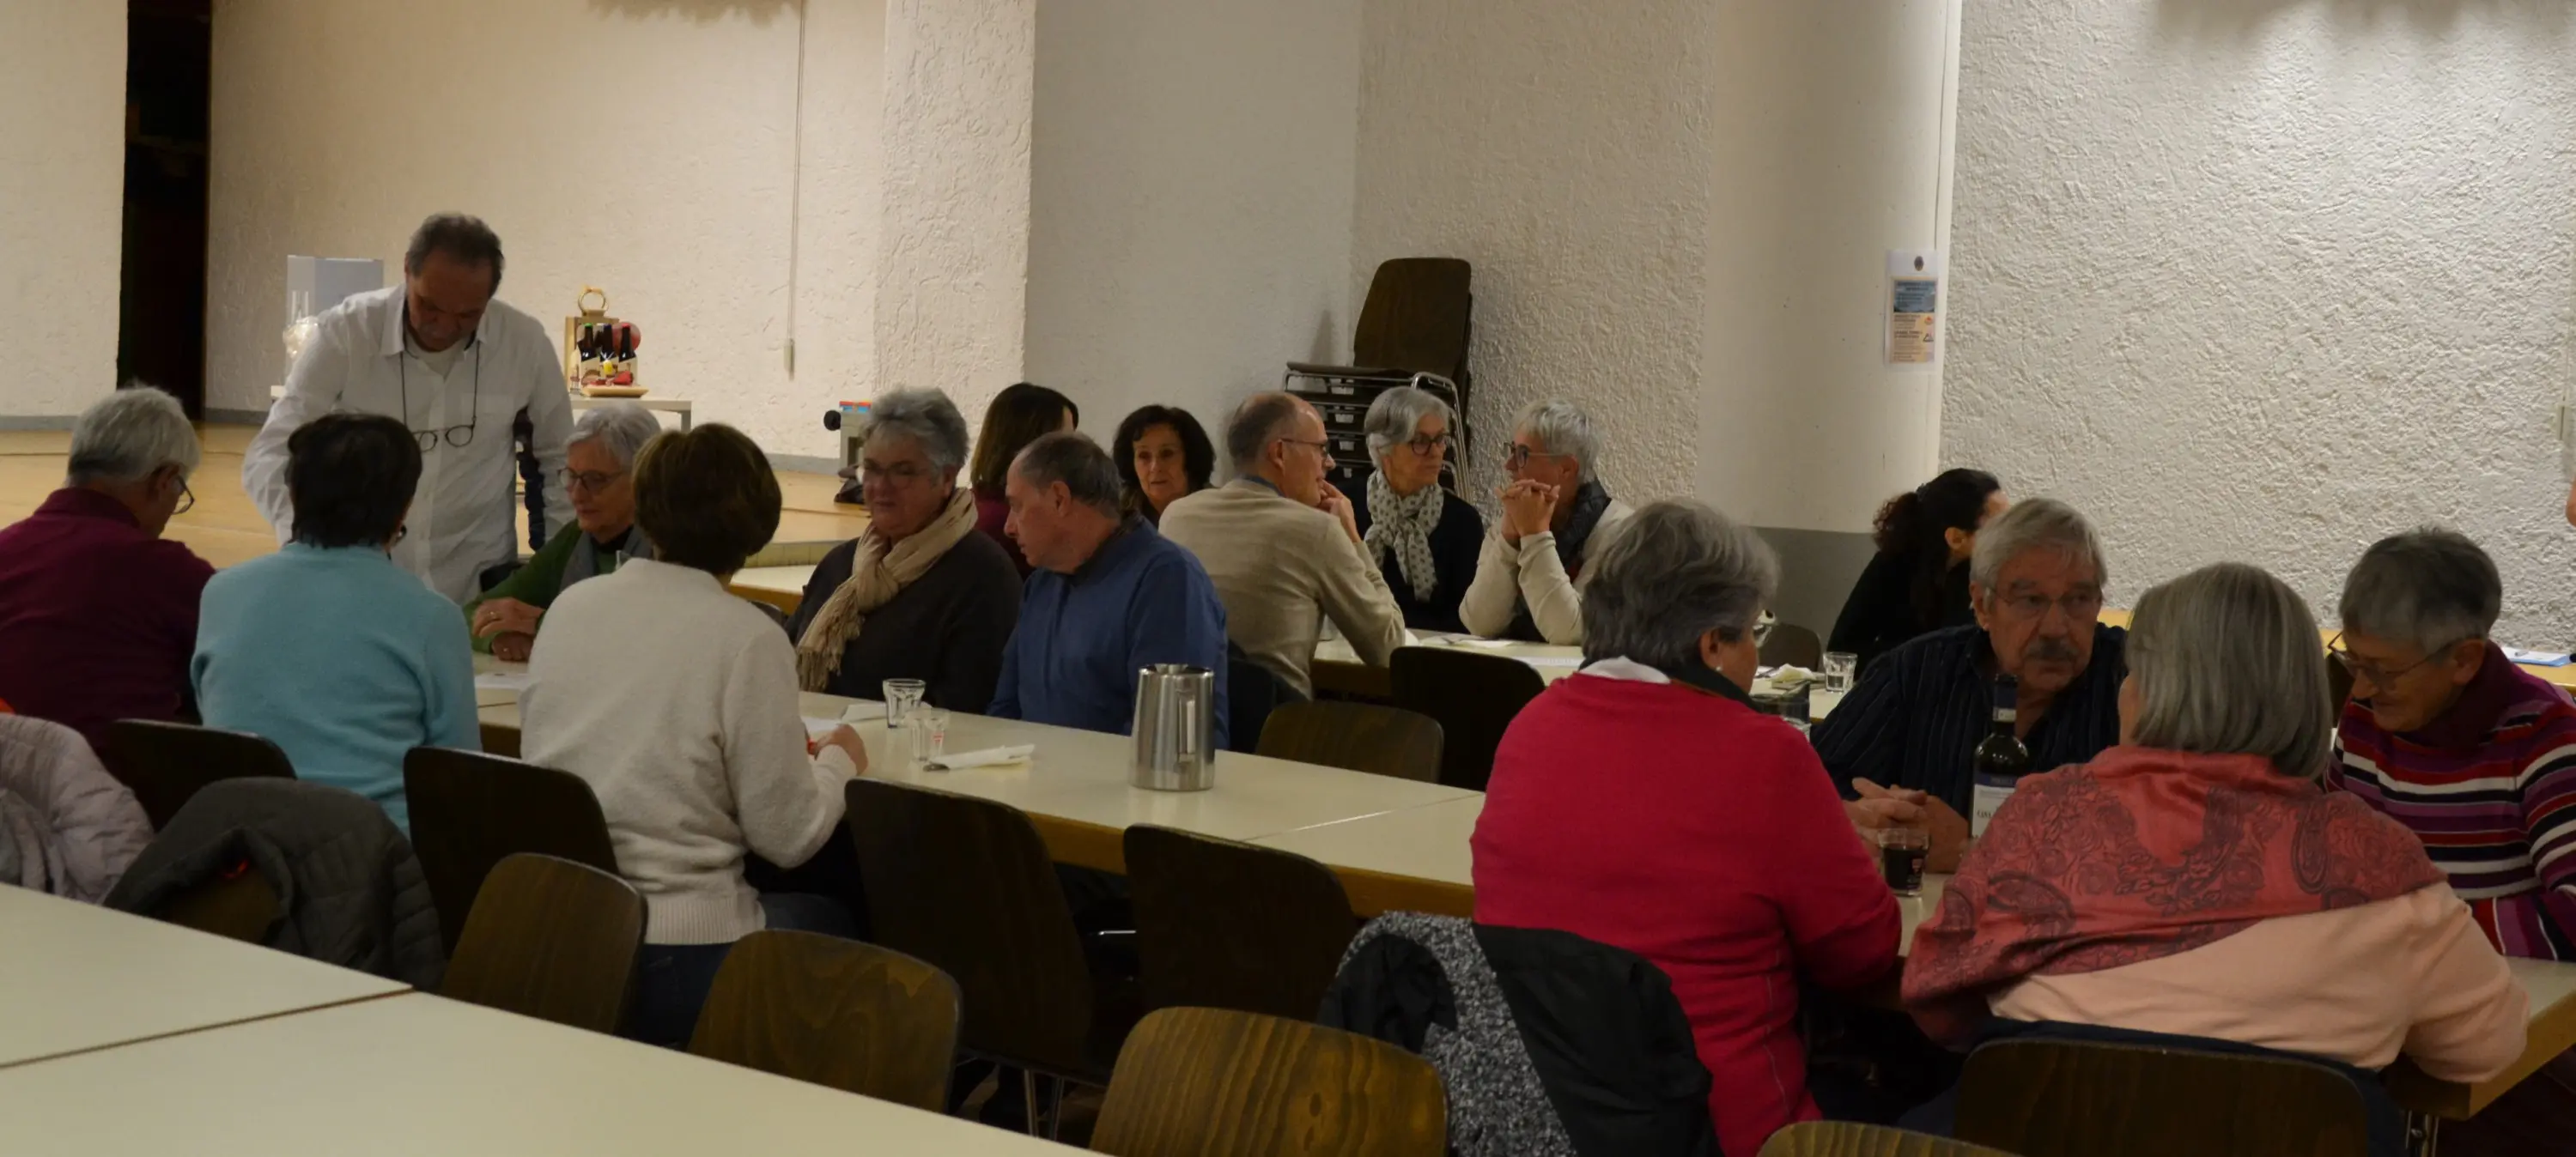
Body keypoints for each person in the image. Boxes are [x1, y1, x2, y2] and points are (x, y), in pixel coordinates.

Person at [1905, 562, 2525, 1095]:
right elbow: (2487, 1048)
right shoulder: (2378, 860)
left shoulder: (2043, 816)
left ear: (2156, 693)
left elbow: (1938, 994)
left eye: (2133, 673)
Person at [1474, 500, 1899, 1157]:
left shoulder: (1530, 726)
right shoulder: (1767, 757)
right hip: (1721, 1131)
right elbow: (1863, 954)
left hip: (1537, 1120)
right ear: (1711, 646)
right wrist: (1854, 856)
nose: (1756, 653)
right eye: (1751, 632)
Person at [518, 423, 866, 1048]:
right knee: (848, 918)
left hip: (567, 927)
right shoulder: (747, 637)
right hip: (682, 947)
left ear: (646, 508)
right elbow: (787, 837)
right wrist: (839, 763)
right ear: (758, 524)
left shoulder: (573, 607)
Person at [245, 214, 573, 603]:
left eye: (467, 315)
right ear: (406, 271)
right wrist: (305, 543)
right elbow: (270, 453)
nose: (444, 326)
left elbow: (562, 459)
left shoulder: (524, 343)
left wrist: (557, 573)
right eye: (429, 306)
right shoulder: (348, 333)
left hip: (480, 583)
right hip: (363, 580)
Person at [193, 415, 480, 833]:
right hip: (378, 856)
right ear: (404, 506)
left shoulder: (221, 593)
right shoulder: (432, 617)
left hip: (240, 849)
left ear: (293, 494)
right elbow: (461, 774)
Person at [1809, 498, 2124, 872]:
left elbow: (2156, 852)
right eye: (2031, 601)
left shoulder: (2134, 683)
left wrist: (1973, 851)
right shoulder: (1917, 671)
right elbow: (1811, 786)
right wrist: (1869, 817)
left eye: (2079, 600)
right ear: (1982, 605)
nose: (2056, 628)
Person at [2330, 530, 2576, 958]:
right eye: (2354, 660)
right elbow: (2331, 859)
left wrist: (2410, 930)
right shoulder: (2366, 713)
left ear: (2464, 660)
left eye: (2384, 671)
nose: (2363, 689)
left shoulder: (2545, 735)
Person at [0, 387, 215, 752]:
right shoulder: (166, 570)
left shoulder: (6, 548)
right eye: (180, 492)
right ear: (164, 480)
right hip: (110, 777)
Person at [1159, 393, 1406, 698]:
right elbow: (1389, 649)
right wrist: (1352, 537)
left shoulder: (1176, 515)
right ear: (1279, 453)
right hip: (1274, 721)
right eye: (1321, 449)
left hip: (1187, 711)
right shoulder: (1317, 530)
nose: (1329, 462)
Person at [788, 388, 1021, 711]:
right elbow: (782, 659)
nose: (880, 486)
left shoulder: (983, 577)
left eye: (903, 472)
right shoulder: (842, 564)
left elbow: (964, 707)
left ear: (946, 479)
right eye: (871, 469)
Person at [993, 432, 1230, 744]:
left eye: (1017, 506)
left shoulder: (1167, 580)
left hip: (1119, 774)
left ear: (1059, 498)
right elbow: (1005, 709)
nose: (1008, 527)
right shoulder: (1042, 583)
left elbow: (1170, 735)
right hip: (1037, 770)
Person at [461, 403, 662, 661]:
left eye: (595, 480)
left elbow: (646, 636)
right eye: (572, 476)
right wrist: (499, 636)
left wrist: (542, 623)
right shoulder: (574, 540)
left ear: (642, 478)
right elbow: (473, 612)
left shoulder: (668, 546)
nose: (577, 494)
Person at [1460, 400, 1635, 643]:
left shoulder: (1620, 530)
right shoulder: (1509, 523)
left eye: (1523, 454)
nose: (1509, 465)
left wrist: (1535, 536)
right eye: (1511, 450)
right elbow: (1478, 623)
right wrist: (1508, 542)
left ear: (1566, 469)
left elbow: (1570, 632)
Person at [1829, 469, 2005, 673]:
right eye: (1999, 527)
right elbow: (1842, 650)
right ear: (1956, 538)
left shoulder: (1989, 572)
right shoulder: (1893, 564)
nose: (2011, 535)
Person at [1348, 386, 1483, 634]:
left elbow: (1465, 619)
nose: (1436, 452)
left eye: (1440, 439)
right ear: (1383, 449)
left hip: (1429, 652)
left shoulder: (1463, 521)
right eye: (1420, 442)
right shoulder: (1346, 506)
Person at [968, 382, 1078, 576]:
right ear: (1030, 444)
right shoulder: (1007, 521)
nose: (1075, 453)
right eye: (1064, 442)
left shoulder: (974, 505)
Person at [1112, 404, 1215, 523]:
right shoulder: (1116, 517)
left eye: (1167, 454)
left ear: (1191, 458)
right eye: (1144, 456)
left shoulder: (1217, 511)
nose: (1155, 467)